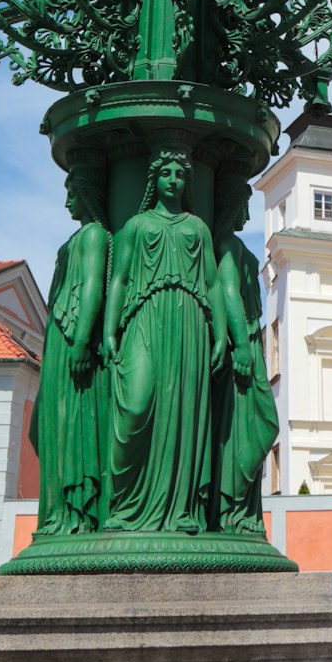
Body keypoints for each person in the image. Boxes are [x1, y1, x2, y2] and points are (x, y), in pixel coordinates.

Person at [104, 146, 227, 533]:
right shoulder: (137, 226)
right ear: (153, 180)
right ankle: (125, 507)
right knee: (137, 406)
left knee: (184, 410)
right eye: (167, 173)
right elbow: (120, 279)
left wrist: (221, 333)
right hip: (144, 318)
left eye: (180, 174)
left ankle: (181, 508)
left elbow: (212, 282)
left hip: (190, 324)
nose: (174, 180)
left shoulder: (197, 228)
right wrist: (110, 329)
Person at [30, 154, 110, 535]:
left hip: (73, 339)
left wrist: (82, 340)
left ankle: (76, 512)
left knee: (74, 421)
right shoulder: (74, 239)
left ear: (88, 192)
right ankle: (57, 511)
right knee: (54, 424)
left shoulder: (95, 235)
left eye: (72, 192)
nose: (67, 202)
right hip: (58, 340)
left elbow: (94, 285)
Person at [210, 177, 279, 535]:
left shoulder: (236, 245)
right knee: (255, 424)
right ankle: (230, 509)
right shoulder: (226, 245)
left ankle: (241, 511)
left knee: (258, 424)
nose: (246, 211)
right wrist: (240, 345)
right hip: (245, 346)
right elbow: (227, 292)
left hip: (253, 341)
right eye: (241, 204)